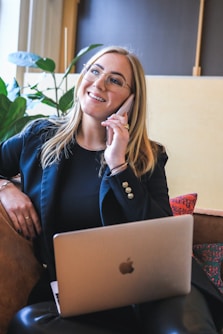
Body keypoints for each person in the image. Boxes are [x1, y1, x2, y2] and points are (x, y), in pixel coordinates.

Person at [0, 45, 223, 334]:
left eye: (115, 80)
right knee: (27, 324)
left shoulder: (148, 157)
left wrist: (119, 166)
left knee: (184, 329)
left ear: (131, 100)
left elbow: (162, 234)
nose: (99, 83)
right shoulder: (38, 138)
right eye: (95, 71)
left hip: (157, 289)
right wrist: (5, 187)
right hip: (81, 295)